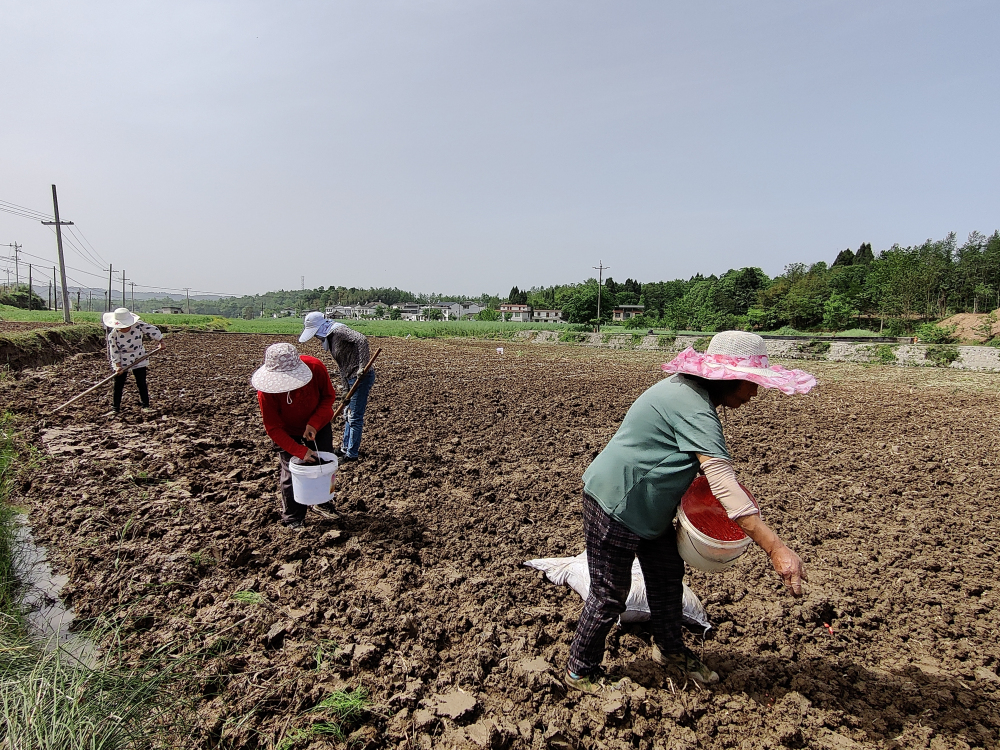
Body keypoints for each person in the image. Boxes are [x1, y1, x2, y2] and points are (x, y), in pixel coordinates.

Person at [565, 331, 816, 693]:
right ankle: (580, 671)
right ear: (729, 378)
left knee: (667, 576)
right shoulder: (693, 406)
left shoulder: (687, 392)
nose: (754, 393)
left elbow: (679, 456)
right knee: (609, 595)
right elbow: (722, 482)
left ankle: (670, 649)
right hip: (616, 502)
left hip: (649, 504)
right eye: (752, 383)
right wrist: (775, 548)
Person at [252, 342, 338, 529]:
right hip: (287, 431)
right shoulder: (265, 391)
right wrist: (299, 451)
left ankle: (323, 501)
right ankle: (293, 517)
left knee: (324, 465)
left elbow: (328, 397)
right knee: (292, 472)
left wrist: (314, 423)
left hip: (318, 425)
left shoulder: (315, 367)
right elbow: (273, 427)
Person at [299, 312, 375, 462]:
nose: (316, 338)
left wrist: (362, 367)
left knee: (354, 417)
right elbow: (342, 366)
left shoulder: (339, 331)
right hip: (351, 378)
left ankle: (351, 454)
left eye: (315, 334)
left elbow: (362, 340)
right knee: (347, 414)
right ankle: (344, 448)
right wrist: (345, 389)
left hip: (361, 378)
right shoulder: (332, 338)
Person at [103, 307, 165, 413]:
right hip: (123, 360)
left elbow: (152, 330)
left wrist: (160, 341)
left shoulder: (138, 325)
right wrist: (118, 366)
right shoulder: (113, 335)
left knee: (141, 382)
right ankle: (115, 408)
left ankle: (145, 406)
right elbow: (114, 351)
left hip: (139, 356)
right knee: (118, 384)